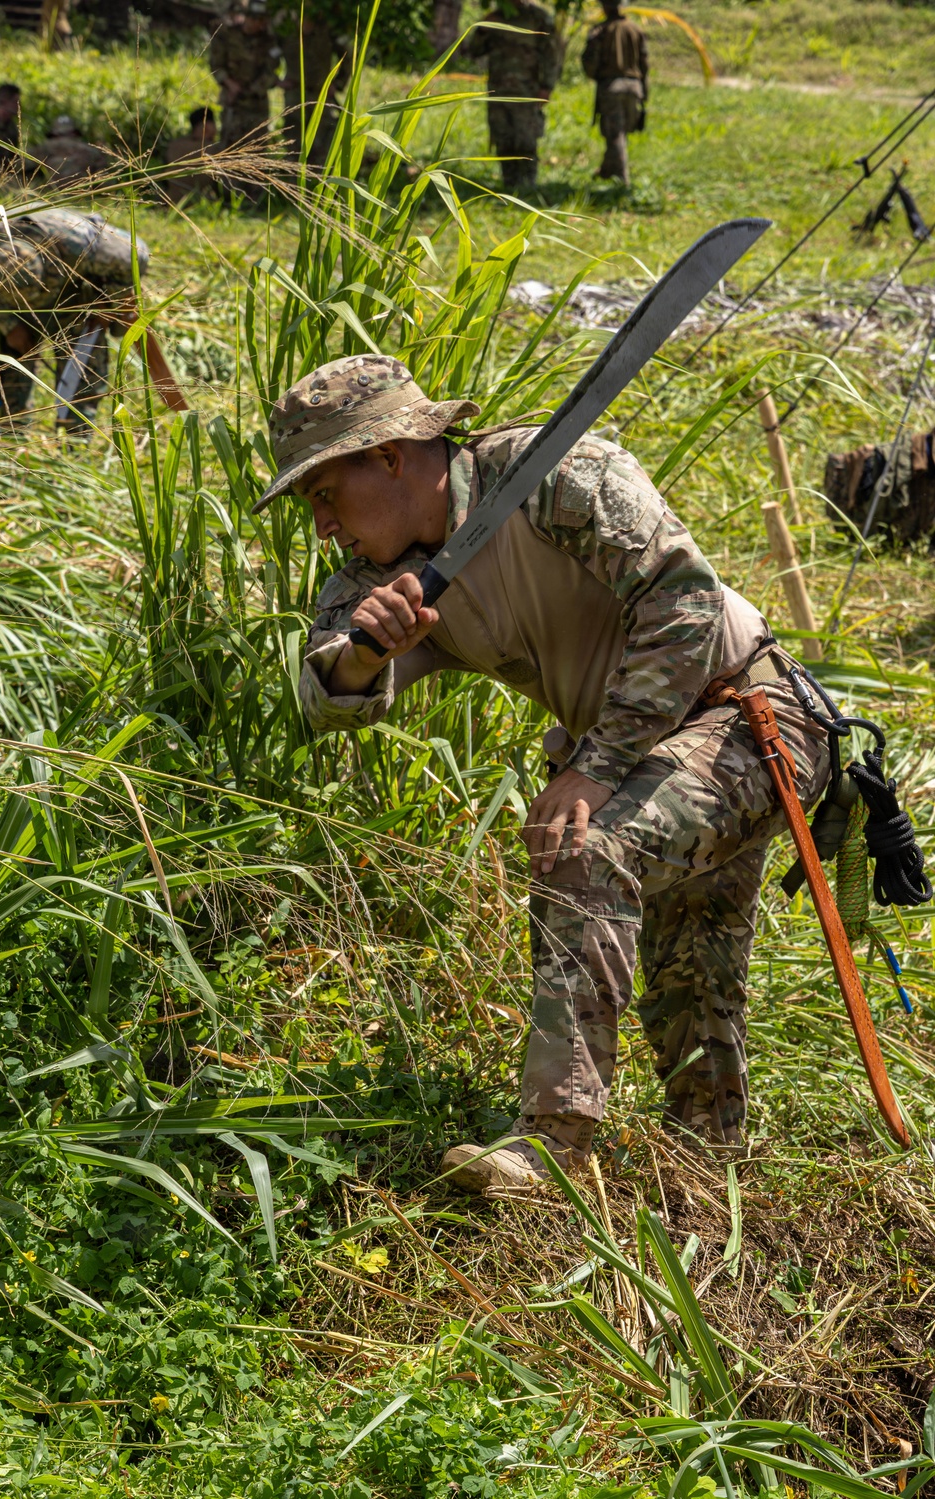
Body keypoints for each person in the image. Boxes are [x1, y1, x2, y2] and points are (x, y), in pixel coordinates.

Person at [263, 354, 830, 1193]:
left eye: (324, 493)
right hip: (661, 754)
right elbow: (325, 693)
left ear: (388, 456)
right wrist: (365, 652)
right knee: (691, 973)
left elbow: (687, 604)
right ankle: (711, 1185)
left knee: (585, 851)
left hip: (752, 716)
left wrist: (595, 769)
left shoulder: (552, 476)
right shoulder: (382, 577)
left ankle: (553, 1144)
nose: (321, 525)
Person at [0, 206, 148, 436]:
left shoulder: (81, 243)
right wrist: (7, 323)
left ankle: (75, 441)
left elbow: (136, 256)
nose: (30, 305)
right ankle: (6, 439)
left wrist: (108, 308)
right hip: (6, 307)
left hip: (71, 296)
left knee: (83, 364)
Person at [462, 0, 563, 194]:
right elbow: (473, 51)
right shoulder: (497, 17)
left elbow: (552, 54)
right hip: (498, 91)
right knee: (502, 137)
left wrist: (547, 86)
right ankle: (508, 186)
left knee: (525, 138)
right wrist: (483, 28)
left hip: (527, 92)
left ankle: (527, 187)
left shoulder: (538, 17)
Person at [582, 0, 648, 187]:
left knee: (614, 133)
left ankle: (622, 180)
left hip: (611, 86)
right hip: (634, 87)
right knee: (621, 131)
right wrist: (645, 92)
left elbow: (590, 62)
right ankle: (607, 170)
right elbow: (645, 64)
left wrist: (597, 75)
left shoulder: (600, 31)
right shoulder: (635, 29)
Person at [277, 7, 348, 167]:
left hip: (321, 94)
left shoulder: (326, 32)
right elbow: (266, 52)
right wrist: (274, 80)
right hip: (295, 93)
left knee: (322, 138)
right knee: (293, 138)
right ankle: (292, 179)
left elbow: (347, 55)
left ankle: (320, 177)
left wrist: (337, 83)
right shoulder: (286, 30)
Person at [208, 0, 280, 154]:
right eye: (253, 19)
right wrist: (230, 84)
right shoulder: (227, 35)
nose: (256, 24)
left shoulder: (268, 41)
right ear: (247, 17)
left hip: (257, 103)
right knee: (230, 147)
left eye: (260, 20)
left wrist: (254, 88)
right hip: (233, 101)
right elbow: (216, 66)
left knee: (257, 148)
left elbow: (271, 69)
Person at [26, 116, 111, 185]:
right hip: (82, 199)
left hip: (47, 199)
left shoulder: (44, 147)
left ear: (55, 133)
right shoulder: (91, 150)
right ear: (74, 133)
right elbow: (106, 182)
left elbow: (18, 167)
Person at [162, 105, 218, 202]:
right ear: (207, 127)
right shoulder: (214, 149)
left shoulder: (173, 145)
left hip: (171, 203)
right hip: (202, 204)